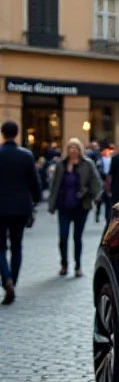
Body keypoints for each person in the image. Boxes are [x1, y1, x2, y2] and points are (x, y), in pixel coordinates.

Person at [0, 121, 41, 305]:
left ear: (2, 133)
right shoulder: (26, 155)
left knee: (0, 247)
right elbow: (34, 182)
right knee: (17, 246)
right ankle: (13, 283)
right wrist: (37, 199)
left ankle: (6, 278)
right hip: (20, 208)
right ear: (17, 134)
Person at [48, 138, 102, 278]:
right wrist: (52, 204)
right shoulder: (61, 165)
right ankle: (64, 264)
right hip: (64, 206)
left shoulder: (87, 164)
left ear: (80, 150)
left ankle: (78, 266)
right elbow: (55, 186)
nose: (72, 150)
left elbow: (95, 183)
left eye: (75, 147)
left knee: (77, 237)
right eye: (70, 147)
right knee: (63, 237)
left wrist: (94, 197)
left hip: (80, 207)